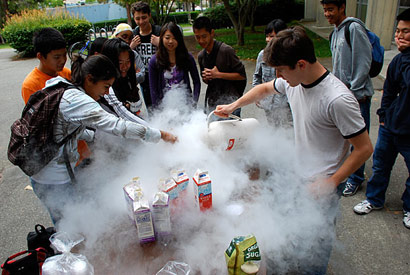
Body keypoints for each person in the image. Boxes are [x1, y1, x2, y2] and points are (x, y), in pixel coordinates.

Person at [215, 26, 373, 273]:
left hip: (322, 184)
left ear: (301, 64)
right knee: (287, 235)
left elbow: (364, 148)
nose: (278, 76)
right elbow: (265, 88)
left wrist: (332, 182)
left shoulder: (337, 99)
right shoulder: (294, 83)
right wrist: (234, 105)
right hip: (296, 174)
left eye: (281, 70)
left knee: (315, 249)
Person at [30, 54, 177, 225]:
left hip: (49, 173)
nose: (106, 93)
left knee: (74, 221)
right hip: (53, 178)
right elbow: (118, 125)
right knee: (69, 227)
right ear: (90, 78)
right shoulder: (76, 100)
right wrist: (161, 135)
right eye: (105, 86)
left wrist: (98, 139)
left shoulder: (66, 88)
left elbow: (69, 130)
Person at [353, 8, 410, 230]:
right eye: (398, 31)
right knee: (380, 166)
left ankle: (408, 207)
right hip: (390, 126)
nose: (399, 36)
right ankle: (374, 199)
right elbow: (389, 91)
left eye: (406, 32)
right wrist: (384, 116)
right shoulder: (397, 61)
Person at [321, 0, 373, 196]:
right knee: (345, 139)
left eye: (331, 9)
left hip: (357, 97)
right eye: (325, 10)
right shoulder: (335, 32)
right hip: (342, 95)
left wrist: (353, 92)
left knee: (358, 142)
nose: (327, 14)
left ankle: (356, 178)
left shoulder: (354, 28)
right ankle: (348, 174)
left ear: (342, 7)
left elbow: (363, 62)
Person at [21, 27, 91, 165]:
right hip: (59, 159)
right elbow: (42, 126)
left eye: (64, 55)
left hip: (81, 149)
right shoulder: (31, 85)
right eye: (56, 57)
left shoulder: (65, 73)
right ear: (40, 56)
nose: (63, 60)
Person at [192, 16, 247, 116]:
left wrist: (218, 74)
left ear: (212, 33)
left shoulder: (226, 50)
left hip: (231, 103)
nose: (201, 40)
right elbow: (206, 81)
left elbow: (242, 76)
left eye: (204, 36)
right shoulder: (201, 56)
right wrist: (206, 77)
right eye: (197, 37)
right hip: (213, 102)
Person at [149, 22, 201, 108]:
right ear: (161, 38)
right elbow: (153, 90)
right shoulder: (154, 61)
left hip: (185, 105)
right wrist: (158, 112)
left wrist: (194, 102)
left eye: (174, 38)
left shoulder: (187, 58)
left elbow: (197, 82)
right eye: (167, 38)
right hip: (165, 107)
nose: (170, 41)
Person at [252, 19, 292, 127]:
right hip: (269, 104)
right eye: (267, 36)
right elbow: (257, 76)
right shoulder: (262, 55)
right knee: (273, 131)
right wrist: (257, 95)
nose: (268, 40)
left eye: (272, 36)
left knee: (289, 133)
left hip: (287, 106)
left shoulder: (290, 56)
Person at [130, 1, 162, 110]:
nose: (141, 21)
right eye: (137, 18)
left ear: (149, 16)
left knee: (164, 103)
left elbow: (171, 50)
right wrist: (131, 47)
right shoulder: (134, 34)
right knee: (150, 106)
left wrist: (160, 44)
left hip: (160, 74)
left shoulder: (158, 31)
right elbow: (126, 56)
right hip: (144, 77)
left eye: (144, 17)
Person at [100, 38, 143, 116]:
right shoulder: (106, 87)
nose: (125, 67)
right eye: (120, 63)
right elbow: (124, 115)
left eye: (128, 61)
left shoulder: (128, 80)